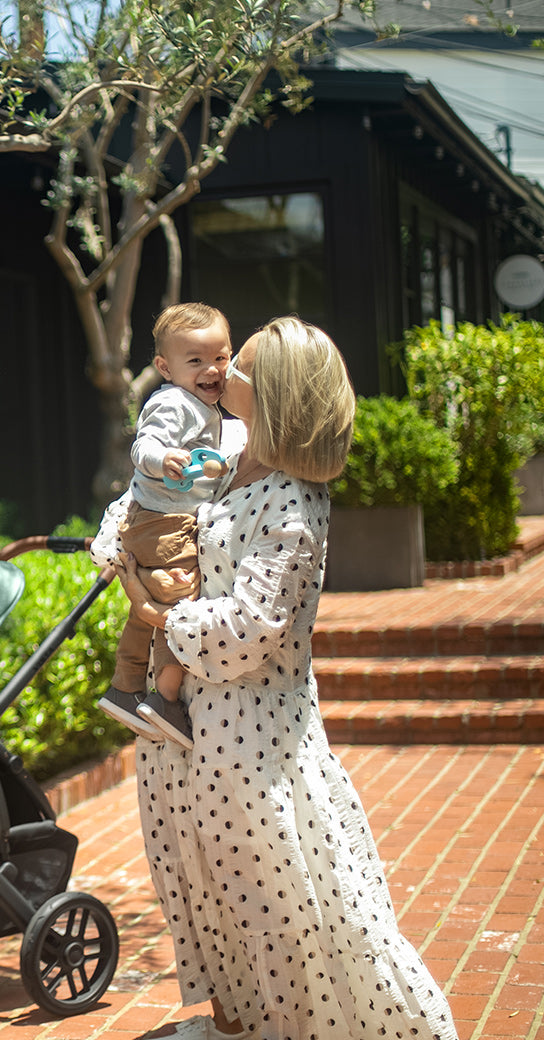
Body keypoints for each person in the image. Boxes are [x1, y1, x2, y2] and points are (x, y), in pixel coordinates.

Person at [112, 317, 458, 1040]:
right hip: (180, 731)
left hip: (249, 743)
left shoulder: (294, 502)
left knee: (282, 912)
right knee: (204, 894)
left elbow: (246, 636)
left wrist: (152, 611)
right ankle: (233, 1025)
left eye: (235, 367)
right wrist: (122, 543)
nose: (218, 374)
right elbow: (145, 501)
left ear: (270, 395)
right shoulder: (227, 450)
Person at [97, 303, 231, 749]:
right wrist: (164, 459)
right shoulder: (175, 402)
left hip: (159, 522)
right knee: (181, 603)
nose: (211, 369)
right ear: (164, 367)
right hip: (164, 523)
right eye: (195, 361)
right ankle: (166, 697)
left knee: (152, 603)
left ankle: (125, 685)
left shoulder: (200, 405)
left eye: (221, 357)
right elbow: (145, 446)